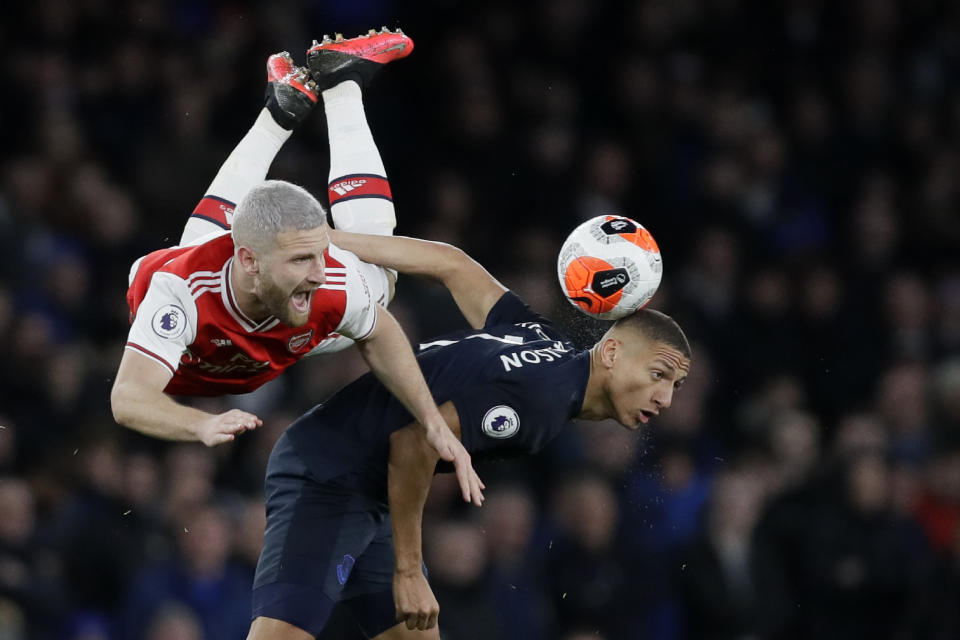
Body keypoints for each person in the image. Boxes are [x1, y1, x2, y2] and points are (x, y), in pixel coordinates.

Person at [246, 231, 692, 639]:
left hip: (374, 488)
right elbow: (413, 442)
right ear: (611, 351)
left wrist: (326, 240)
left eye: (675, 385)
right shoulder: (543, 402)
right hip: (330, 471)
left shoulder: (543, 340)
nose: (666, 398)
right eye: (658, 374)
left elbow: (453, 264)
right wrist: (408, 571)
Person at [109, 30, 481, 503]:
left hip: (258, 326)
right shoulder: (178, 296)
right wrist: (202, 424)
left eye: (320, 255)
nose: (320, 272)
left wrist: (432, 422)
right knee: (205, 253)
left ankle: (293, 105)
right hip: (187, 321)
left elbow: (379, 329)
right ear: (249, 260)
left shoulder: (326, 283)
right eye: (302, 259)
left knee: (376, 285)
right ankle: (337, 90)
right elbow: (128, 399)